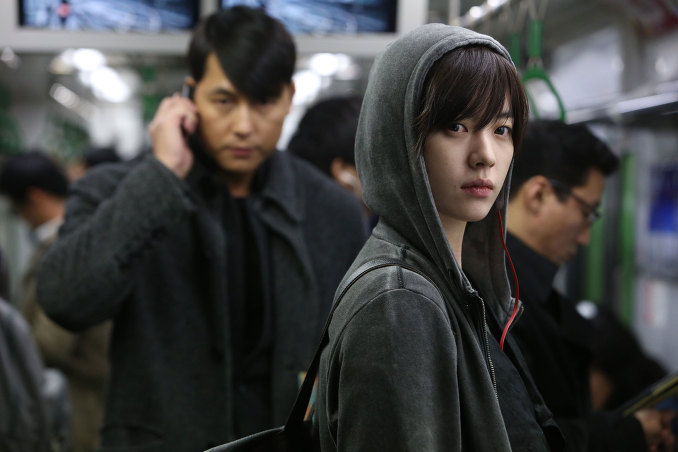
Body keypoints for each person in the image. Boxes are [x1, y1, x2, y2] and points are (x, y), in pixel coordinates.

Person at [36, 6, 367, 451]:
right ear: (189, 96)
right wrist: (162, 175)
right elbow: (65, 300)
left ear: (289, 96)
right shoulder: (118, 192)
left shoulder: (331, 210)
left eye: (264, 102)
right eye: (224, 101)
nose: (244, 127)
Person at [314, 24, 563, 451]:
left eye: (501, 129)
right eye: (456, 126)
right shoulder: (400, 300)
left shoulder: (455, 285)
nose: (485, 155)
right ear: (399, 139)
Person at [506, 119, 675, 451]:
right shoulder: (502, 300)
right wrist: (627, 434)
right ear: (539, 195)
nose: (585, 238)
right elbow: (522, 437)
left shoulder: (526, 291)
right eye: (586, 212)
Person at [0, 151, 110, 452]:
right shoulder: (86, 236)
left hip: (80, 411)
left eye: (17, 208)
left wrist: (13, 350)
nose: (20, 217)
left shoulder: (64, 247)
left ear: (34, 197)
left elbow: (50, 344)